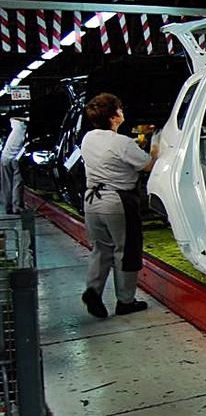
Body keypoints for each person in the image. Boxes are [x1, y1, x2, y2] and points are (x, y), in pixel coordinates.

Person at [80, 93, 158, 318]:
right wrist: (155, 146)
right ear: (113, 117)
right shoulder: (121, 142)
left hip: (92, 200)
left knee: (100, 249)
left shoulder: (88, 138)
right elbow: (147, 165)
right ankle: (125, 301)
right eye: (120, 109)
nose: (122, 112)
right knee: (126, 250)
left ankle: (93, 290)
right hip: (117, 201)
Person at [0, 116, 27, 214]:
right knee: (18, 182)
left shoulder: (15, 126)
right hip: (16, 159)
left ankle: (8, 206)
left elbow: (12, 118)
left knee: (6, 183)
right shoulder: (24, 131)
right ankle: (17, 207)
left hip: (5, 157)